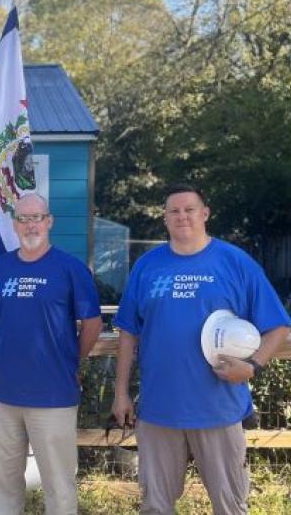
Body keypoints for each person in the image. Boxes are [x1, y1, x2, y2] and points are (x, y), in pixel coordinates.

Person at [112, 183, 291, 515]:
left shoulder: (235, 263)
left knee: (230, 506)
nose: (182, 216)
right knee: (155, 506)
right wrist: (121, 392)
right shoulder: (147, 266)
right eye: (174, 211)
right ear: (164, 218)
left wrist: (252, 367)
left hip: (218, 408)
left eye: (189, 209)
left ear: (205, 214)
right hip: (158, 409)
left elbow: (278, 326)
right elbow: (127, 333)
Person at [0, 193, 103, 515]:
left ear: (49, 221)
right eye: (23, 218)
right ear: (14, 225)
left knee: (59, 483)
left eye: (37, 217)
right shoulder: (1, 267)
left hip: (53, 393)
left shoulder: (70, 268)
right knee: (2, 478)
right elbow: (1, 321)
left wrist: (71, 362)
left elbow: (92, 323)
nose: (30, 224)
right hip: (4, 393)